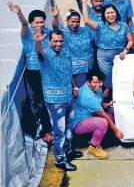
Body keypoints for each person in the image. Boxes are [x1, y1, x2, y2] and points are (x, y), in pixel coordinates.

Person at [8, 2, 53, 143]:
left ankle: (48, 128)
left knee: (48, 100)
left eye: (42, 22)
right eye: (37, 22)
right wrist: (19, 12)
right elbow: (24, 24)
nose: (40, 24)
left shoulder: (48, 34)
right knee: (36, 101)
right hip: (33, 73)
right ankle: (38, 129)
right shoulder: (27, 34)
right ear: (32, 23)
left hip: (47, 71)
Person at [34, 29, 78, 171]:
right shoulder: (45, 54)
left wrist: (75, 87)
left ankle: (68, 151)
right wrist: (37, 42)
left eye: (60, 41)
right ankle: (60, 160)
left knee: (70, 127)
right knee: (59, 131)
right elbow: (39, 53)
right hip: (54, 100)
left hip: (69, 96)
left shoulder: (65, 53)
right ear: (49, 41)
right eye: (55, 41)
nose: (58, 44)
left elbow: (69, 72)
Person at [80, 0, 133, 88]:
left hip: (120, 56)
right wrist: (84, 2)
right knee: (108, 81)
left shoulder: (124, 25)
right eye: (107, 13)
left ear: (116, 13)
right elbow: (86, 21)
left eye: (112, 12)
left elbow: (130, 40)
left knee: (121, 79)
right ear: (104, 15)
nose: (110, 15)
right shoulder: (100, 25)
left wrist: (125, 51)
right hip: (104, 58)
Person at [70, 71, 124, 160]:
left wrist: (106, 105)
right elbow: (104, 115)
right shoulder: (88, 96)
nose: (98, 85)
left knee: (111, 113)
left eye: (99, 82)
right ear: (88, 82)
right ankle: (94, 147)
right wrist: (116, 131)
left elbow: (99, 102)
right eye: (95, 82)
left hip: (89, 117)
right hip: (77, 124)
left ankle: (99, 139)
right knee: (103, 122)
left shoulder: (96, 89)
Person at [52, 8, 96, 88]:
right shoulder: (64, 33)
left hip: (90, 67)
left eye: (77, 22)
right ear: (67, 21)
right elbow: (55, 28)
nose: (75, 24)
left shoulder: (85, 31)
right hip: (76, 70)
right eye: (72, 21)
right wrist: (55, 17)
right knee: (81, 91)